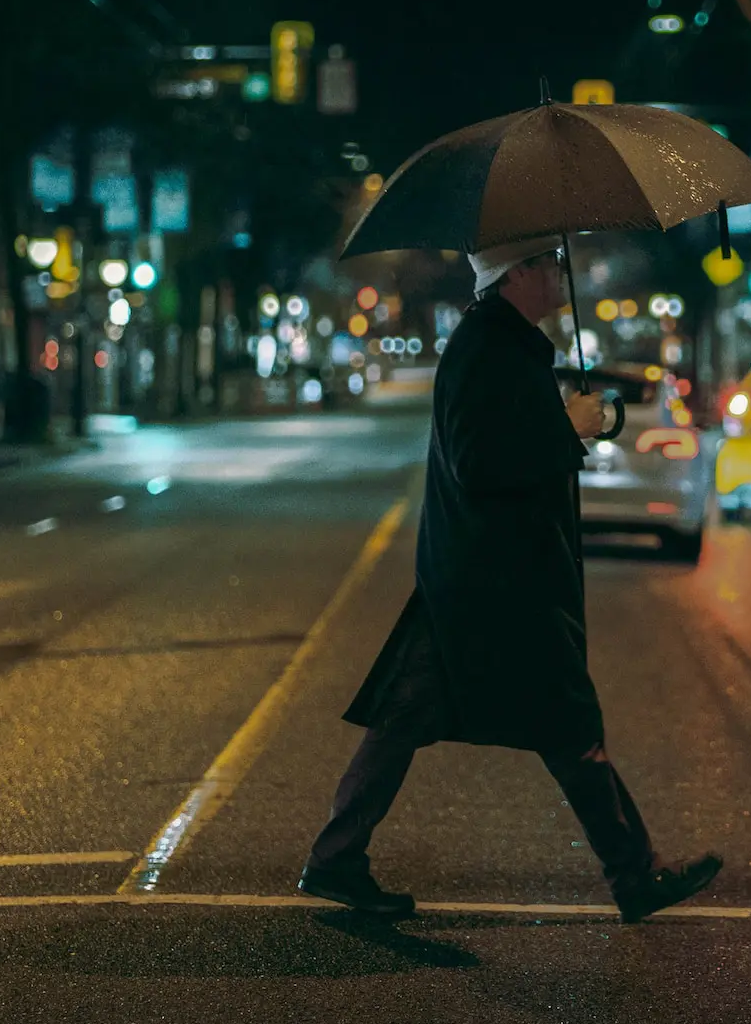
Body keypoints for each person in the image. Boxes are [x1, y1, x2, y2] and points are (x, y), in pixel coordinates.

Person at [299, 236, 722, 922]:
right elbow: (479, 461)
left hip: (481, 573)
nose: (560, 273)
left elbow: (510, 440)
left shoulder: (507, 343)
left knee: (409, 716)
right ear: (517, 274)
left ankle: (336, 857)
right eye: (549, 262)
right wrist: (562, 428)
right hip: (495, 579)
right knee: (569, 723)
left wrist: (581, 420)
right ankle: (635, 875)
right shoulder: (484, 347)